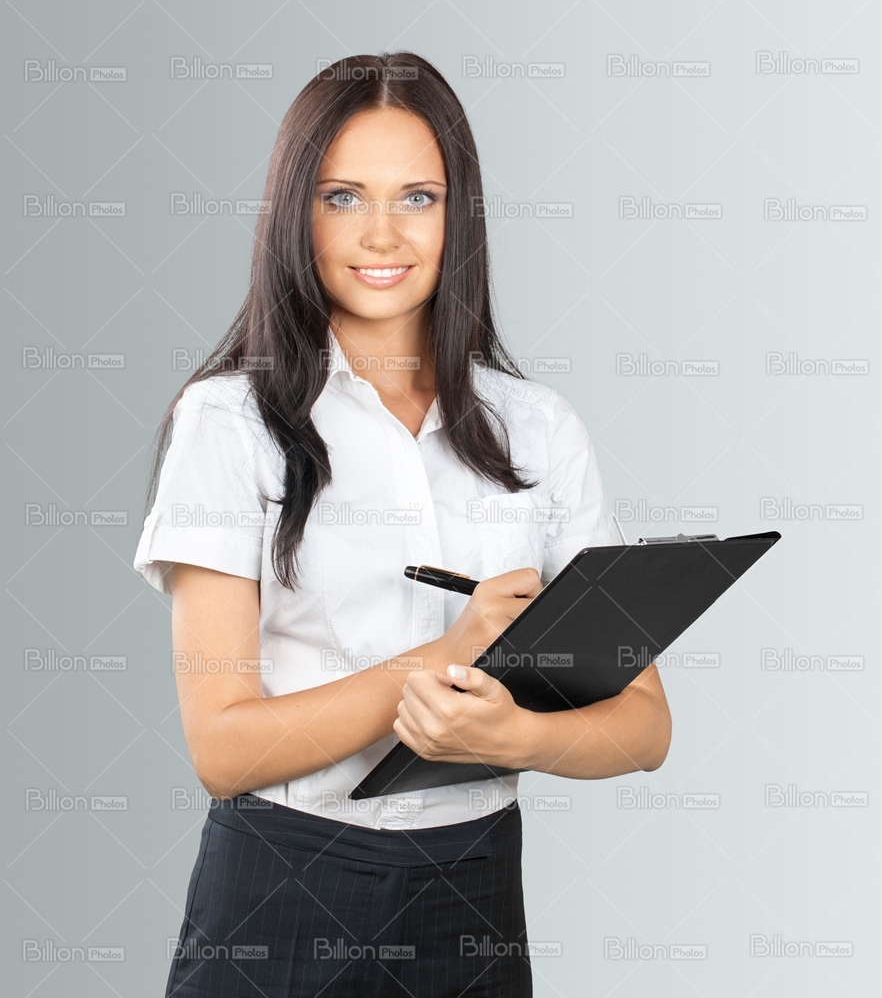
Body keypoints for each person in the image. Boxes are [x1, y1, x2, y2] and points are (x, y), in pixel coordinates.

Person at [134, 50, 671, 998]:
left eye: (417, 197)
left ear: (459, 216)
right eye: (343, 196)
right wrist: (440, 660)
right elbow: (221, 748)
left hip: (473, 888)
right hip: (282, 887)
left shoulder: (537, 429)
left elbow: (644, 727)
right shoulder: (227, 421)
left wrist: (516, 738)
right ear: (296, 213)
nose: (381, 233)